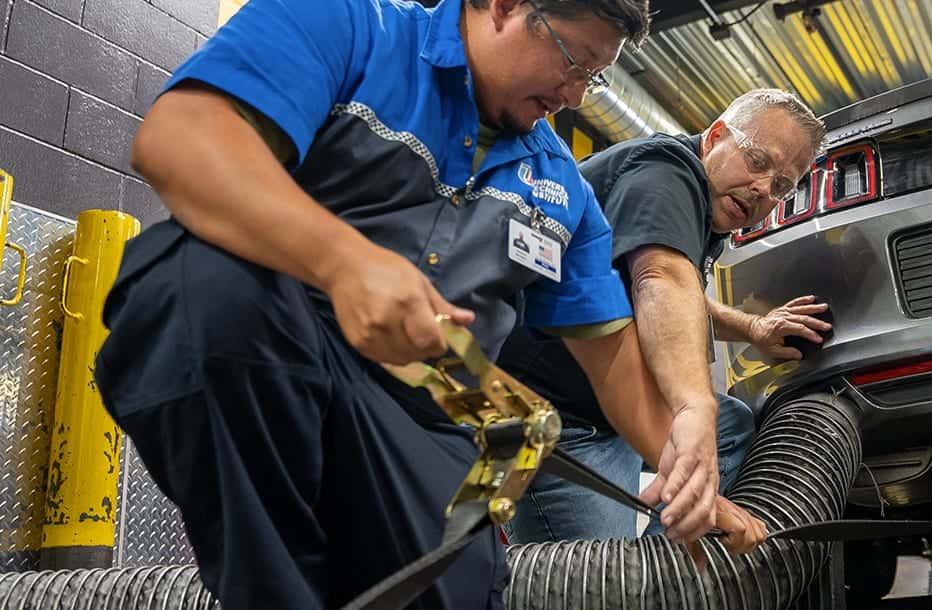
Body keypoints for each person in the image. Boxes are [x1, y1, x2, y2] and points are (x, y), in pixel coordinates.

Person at [93, 0, 732, 608]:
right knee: (201, 280)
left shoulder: (564, 191)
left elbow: (612, 359)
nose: (574, 96)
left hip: (433, 404)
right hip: (283, 346)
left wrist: (692, 479)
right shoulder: (348, 26)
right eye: (573, 62)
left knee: (455, 585)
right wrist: (342, 261)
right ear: (507, 6)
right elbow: (181, 138)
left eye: (592, 78)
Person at [498, 89, 830, 545]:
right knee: (602, 587)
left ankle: (664, 561)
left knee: (730, 428)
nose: (762, 189)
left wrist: (754, 328)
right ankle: (648, 576)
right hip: (556, 419)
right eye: (757, 161)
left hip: (607, 407)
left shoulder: (705, 205)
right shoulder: (666, 174)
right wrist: (693, 405)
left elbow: (683, 291)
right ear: (715, 137)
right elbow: (661, 277)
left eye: (781, 186)